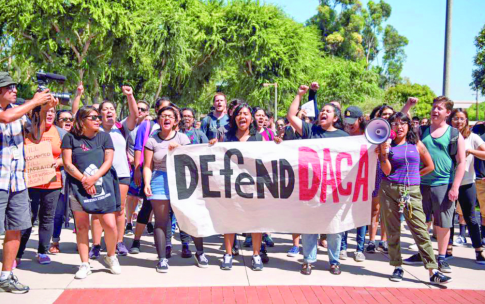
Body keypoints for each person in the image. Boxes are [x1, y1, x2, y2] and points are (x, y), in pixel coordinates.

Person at [378, 112, 452, 284]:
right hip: (389, 189)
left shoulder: (416, 144)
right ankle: (397, 266)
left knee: (420, 229)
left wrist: (414, 177)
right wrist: (383, 152)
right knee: (392, 229)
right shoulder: (387, 146)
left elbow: (430, 166)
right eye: (395, 124)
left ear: (409, 125)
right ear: (391, 127)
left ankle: (433, 270)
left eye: (403, 123)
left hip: (410, 191)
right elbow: (387, 171)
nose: (400, 126)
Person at [0, 72, 56, 293]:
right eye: (8, 87)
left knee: (16, 228)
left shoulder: (19, 112)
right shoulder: (10, 113)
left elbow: (36, 136)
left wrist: (41, 110)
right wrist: (34, 101)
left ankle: (6, 275)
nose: (14, 90)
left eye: (15, 86)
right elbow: (5, 118)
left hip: (18, 180)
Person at [287, 84, 348, 276]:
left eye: (328, 111)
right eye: (322, 110)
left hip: (334, 189)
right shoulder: (310, 131)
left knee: (335, 227)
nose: (323, 112)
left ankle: (334, 260)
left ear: (335, 118)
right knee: (309, 225)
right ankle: (308, 260)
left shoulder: (344, 137)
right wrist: (299, 95)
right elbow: (291, 116)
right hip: (311, 188)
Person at [404, 96, 466, 274]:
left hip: (443, 184)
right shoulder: (421, 130)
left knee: (443, 223)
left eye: (439, 108)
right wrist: (409, 105)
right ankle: (422, 253)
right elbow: (400, 120)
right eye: (434, 107)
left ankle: (441, 257)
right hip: (420, 183)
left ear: (447, 113)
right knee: (420, 221)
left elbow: (461, 162)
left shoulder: (454, 135)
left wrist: (455, 187)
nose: (435, 111)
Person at [62, 106, 122, 279]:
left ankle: (111, 256)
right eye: (93, 117)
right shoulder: (70, 138)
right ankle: (84, 263)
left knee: (110, 224)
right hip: (79, 187)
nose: (98, 120)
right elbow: (67, 164)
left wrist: (93, 178)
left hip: (102, 184)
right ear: (82, 120)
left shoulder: (104, 136)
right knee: (81, 226)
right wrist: (84, 180)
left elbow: (108, 161)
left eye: (98, 117)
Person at [214, 103, 268, 271]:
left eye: (246, 113)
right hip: (231, 187)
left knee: (256, 222)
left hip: (253, 187)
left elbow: (267, 159)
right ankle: (228, 254)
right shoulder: (226, 138)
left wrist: (277, 145)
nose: (242, 116)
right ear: (234, 118)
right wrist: (213, 146)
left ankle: (256, 255)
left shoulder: (258, 138)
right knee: (230, 221)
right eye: (238, 114)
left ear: (251, 118)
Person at [143, 106, 195, 272]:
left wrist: (179, 150)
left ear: (175, 121)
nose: (166, 119)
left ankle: (199, 252)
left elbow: (190, 161)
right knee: (160, 221)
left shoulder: (182, 138)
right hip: (159, 180)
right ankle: (162, 259)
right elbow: (147, 166)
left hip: (179, 180)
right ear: (158, 120)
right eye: (162, 116)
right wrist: (146, 183)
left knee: (187, 217)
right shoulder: (152, 140)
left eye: (169, 116)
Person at [89, 86, 138, 258]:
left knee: (119, 209)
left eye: (112, 109)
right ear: (99, 113)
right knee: (98, 210)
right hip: (101, 175)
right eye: (105, 109)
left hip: (122, 174)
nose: (109, 111)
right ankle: (95, 245)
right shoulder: (94, 130)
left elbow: (135, 114)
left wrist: (130, 96)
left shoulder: (122, 128)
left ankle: (119, 242)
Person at [16, 106, 67, 265]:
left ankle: (43, 251)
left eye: (52, 111)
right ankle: (17, 254)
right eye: (46, 111)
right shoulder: (26, 130)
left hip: (52, 182)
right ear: (35, 114)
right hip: (29, 182)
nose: (50, 114)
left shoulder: (60, 133)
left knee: (47, 217)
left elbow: (68, 157)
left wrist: (56, 162)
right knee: (26, 218)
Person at [128, 98, 171, 254]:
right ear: (157, 110)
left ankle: (165, 242)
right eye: (163, 109)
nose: (166, 114)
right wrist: (138, 169)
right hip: (151, 175)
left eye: (169, 109)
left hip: (170, 177)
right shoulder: (147, 126)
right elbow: (139, 147)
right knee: (146, 208)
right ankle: (136, 240)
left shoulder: (174, 128)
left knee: (166, 213)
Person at [447, 108, 485, 264]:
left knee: (471, 217)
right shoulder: (446, 135)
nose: (459, 121)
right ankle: (447, 249)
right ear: (450, 120)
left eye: (462, 118)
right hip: (447, 182)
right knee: (447, 218)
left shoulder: (473, 137)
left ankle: (478, 251)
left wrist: (470, 150)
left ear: (467, 121)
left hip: (467, 182)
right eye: (456, 118)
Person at [340, 106, 367, 262]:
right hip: (345, 181)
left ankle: (359, 248)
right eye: (347, 121)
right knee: (344, 214)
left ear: (360, 120)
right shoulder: (343, 136)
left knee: (360, 215)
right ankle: (343, 247)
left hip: (363, 180)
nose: (349, 125)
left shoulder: (368, 136)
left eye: (352, 122)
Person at [50, 110, 74, 253]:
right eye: (63, 118)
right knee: (57, 212)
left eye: (70, 119)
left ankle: (82, 242)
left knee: (80, 213)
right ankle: (55, 241)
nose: (67, 121)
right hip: (59, 179)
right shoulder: (54, 135)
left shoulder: (79, 135)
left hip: (78, 179)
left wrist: (62, 160)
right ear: (57, 121)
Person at [125, 99, 151, 236]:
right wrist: (128, 158)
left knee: (149, 197)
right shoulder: (128, 124)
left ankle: (149, 221)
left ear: (147, 112)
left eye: (143, 109)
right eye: (138, 108)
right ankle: (129, 222)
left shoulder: (151, 126)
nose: (139, 111)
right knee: (131, 197)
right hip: (131, 167)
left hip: (145, 166)